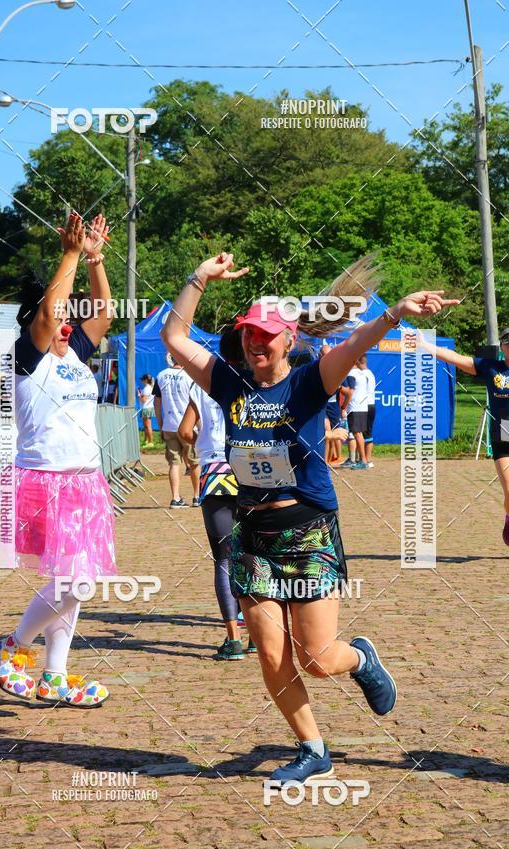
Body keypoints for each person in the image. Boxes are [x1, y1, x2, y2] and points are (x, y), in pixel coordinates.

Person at [162, 251, 457, 785]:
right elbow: (176, 338)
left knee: (317, 658)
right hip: (252, 533)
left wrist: (397, 314)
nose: (255, 342)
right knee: (271, 653)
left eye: (266, 335)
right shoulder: (228, 383)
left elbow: (352, 344)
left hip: (308, 531)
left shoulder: (308, 382)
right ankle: (312, 747)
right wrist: (199, 277)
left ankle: (361, 660)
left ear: (290, 338)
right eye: (249, 333)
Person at [0, 212, 116, 708]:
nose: (66, 326)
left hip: (86, 481)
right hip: (46, 480)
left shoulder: (74, 354)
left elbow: (104, 310)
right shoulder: (28, 355)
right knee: (74, 581)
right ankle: (14, 646)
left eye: (70, 321)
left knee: (76, 585)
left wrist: (94, 258)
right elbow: (47, 316)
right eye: (58, 320)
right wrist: (67, 253)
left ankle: (54, 675)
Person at [178, 328, 256, 660]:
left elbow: (184, 429)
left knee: (224, 559)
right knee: (254, 556)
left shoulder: (205, 383)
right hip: (252, 472)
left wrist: (199, 445)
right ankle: (257, 633)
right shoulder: (260, 382)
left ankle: (233, 639)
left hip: (215, 473)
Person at [418, 326, 509, 546]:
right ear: (503, 348)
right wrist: (425, 346)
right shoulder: (491, 368)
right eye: (508, 343)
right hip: (503, 436)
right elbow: (456, 358)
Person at [153, 352, 200, 508]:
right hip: (187, 426)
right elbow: (196, 404)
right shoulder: (190, 377)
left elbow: (157, 404)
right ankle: (197, 496)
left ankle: (175, 497)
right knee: (194, 462)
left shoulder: (161, 375)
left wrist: (160, 425)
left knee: (174, 463)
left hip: (169, 424)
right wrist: (200, 428)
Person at [320, 345, 354, 466]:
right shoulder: (314, 369)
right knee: (327, 430)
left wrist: (344, 406)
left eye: (329, 355)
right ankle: (325, 460)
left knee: (335, 432)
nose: (327, 358)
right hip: (320, 406)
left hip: (333, 406)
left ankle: (335, 458)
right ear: (320, 356)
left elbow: (348, 392)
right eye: (324, 355)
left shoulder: (338, 369)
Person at [342, 356, 369, 469]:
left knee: (357, 434)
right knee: (359, 434)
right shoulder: (362, 373)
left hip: (355, 407)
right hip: (362, 406)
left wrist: (344, 406)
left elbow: (351, 392)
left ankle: (363, 461)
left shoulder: (352, 373)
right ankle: (363, 460)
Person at [362, 356, 377, 468]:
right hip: (369, 405)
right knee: (365, 432)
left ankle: (368, 460)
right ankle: (365, 459)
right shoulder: (370, 373)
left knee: (366, 432)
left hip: (365, 405)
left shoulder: (364, 375)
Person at [138, 374, 154, 447]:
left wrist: (139, 395)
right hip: (147, 408)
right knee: (145, 426)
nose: (141, 381)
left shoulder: (146, 389)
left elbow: (143, 400)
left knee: (148, 426)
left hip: (146, 408)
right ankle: (146, 440)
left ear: (146, 380)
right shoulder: (148, 388)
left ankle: (150, 442)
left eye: (142, 380)